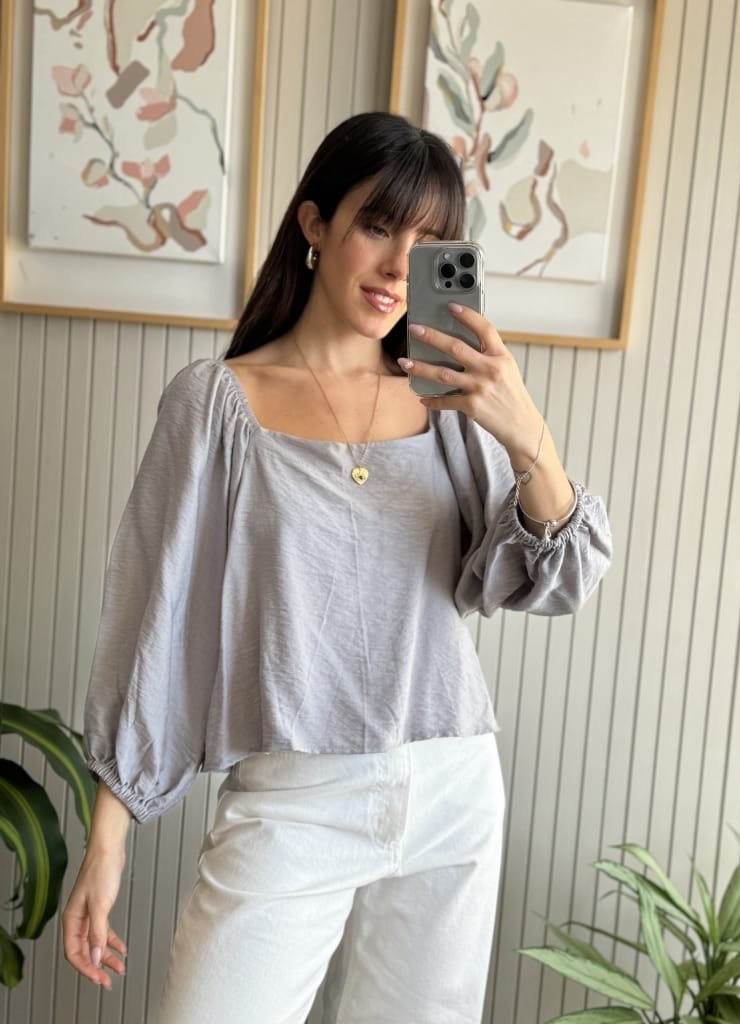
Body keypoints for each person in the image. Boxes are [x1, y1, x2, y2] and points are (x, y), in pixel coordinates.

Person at [61, 112, 611, 1024]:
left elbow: (557, 578)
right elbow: (154, 619)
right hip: (293, 796)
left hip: (450, 787)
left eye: (428, 244)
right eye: (378, 226)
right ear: (315, 224)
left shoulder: (451, 407)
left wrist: (523, 430)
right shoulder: (217, 405)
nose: (399, 267)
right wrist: (107, 840)